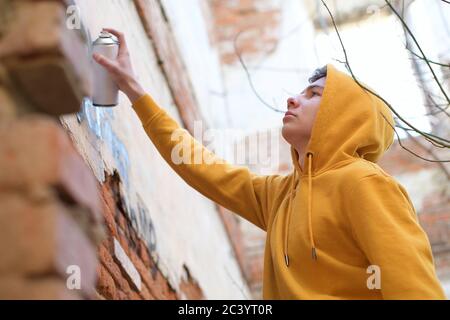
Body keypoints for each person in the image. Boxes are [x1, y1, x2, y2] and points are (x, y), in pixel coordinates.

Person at [93, 28, 446, 299]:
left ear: (344, 118)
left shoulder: (364, 183)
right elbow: (197, 164)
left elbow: (414, 288)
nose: (293, 98)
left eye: (314, 95)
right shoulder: (281, 195)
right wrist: (135, 90)